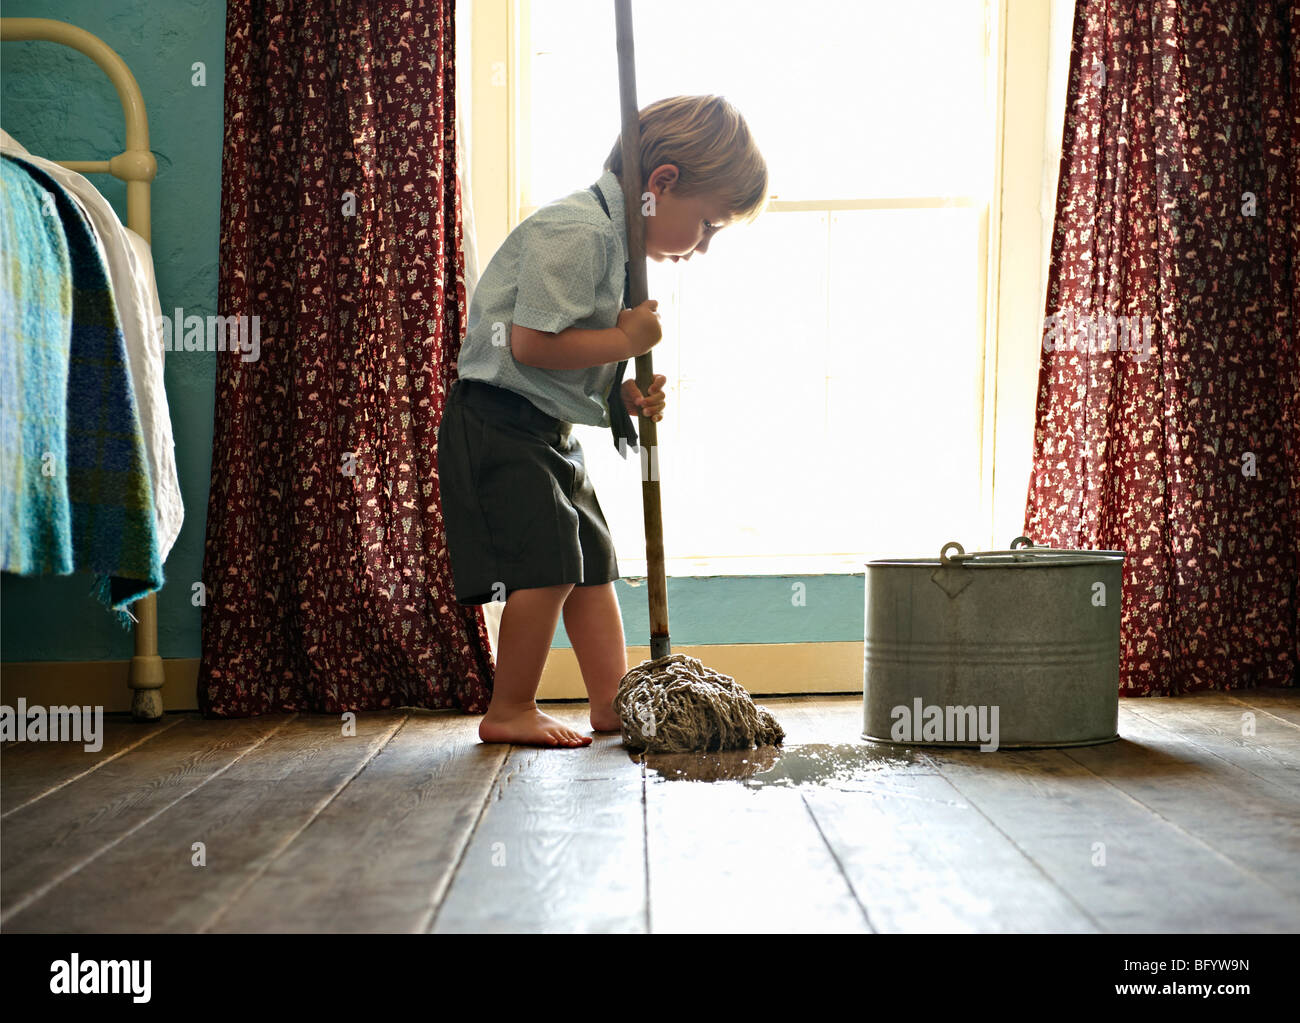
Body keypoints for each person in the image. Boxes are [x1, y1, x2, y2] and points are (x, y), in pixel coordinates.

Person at [437, 95, 768, 747]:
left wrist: (623, 399)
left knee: (591, 560)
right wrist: (625, 342)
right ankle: (509, 707)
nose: (702, 246)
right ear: (662, 182)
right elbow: (531, 344)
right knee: (549, 565)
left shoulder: (617, 248)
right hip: (497, 423)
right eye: (706, 224)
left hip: (545, 429)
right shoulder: (578, 232)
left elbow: (572, 361)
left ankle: (613, 701)